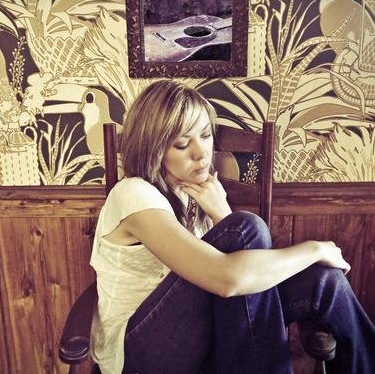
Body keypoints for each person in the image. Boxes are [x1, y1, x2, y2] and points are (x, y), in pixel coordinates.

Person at [89, 80, 375, 373]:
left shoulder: (195, 192)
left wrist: (220, 213)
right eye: (182, 144)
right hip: (138, 352)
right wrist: (315, 249)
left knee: (325, 282)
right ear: (152, 148)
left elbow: (244, 280)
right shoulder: (133, 194)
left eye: (205, 135)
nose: (201, 153)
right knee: (245, 228)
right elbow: (226, 278)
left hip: (200, 337)